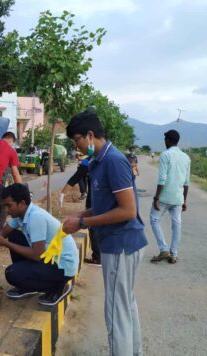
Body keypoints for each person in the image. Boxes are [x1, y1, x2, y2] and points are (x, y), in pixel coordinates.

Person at [63, 109, 147, 356]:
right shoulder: (98, 162)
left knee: (115, 311)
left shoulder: (113, 160)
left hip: (121, 244)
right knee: (126, 305)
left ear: (90, 135)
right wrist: (81, 215)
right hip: (118, 243)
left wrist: (81, 225)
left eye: (77, 140)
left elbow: (128, 210)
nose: (77, 146)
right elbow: (104, 205)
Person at [0, 184, 79, 306]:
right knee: (14, 235)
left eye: (9, 205)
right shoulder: (21, 214)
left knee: (12, 273)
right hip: (49, 257)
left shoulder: (36, 217)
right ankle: (28, 285)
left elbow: (36, 255)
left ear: (22, 203)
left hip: (62, 265)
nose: (7, 210)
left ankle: (57, 287)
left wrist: (5, 244)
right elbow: (3, 234)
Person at [150, 129, 190, 264]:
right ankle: (174, 254)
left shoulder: (165, 155)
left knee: (154, 219)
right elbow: (186, 182)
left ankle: (163, 249)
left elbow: (162, 178)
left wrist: (156, 198)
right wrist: (184, 200)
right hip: (178, 198)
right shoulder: (186, 157)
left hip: (164, 197)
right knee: (176, 225)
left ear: (167, 141)